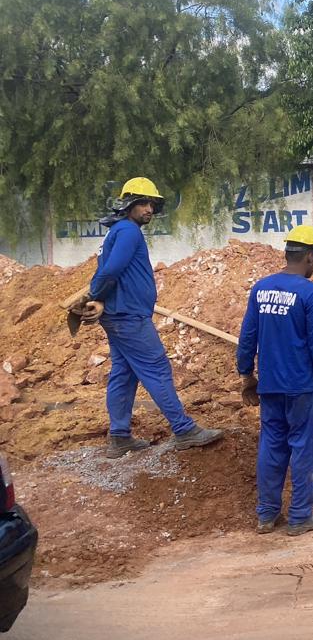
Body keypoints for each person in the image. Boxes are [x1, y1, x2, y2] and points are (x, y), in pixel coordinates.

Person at [78, 178, 223, 459]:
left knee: (124, 372)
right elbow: (110, 270)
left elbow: (109, 271)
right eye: (144, 203)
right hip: (128, 317)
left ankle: (120, 437)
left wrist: (99, 298)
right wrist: (95, 295)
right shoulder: (129, 232)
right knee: (156, 368)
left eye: (152, 205)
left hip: (120, 314)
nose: (149, 210)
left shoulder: (119, 231)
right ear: (129, 204)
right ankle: (184, 430)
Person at [236, 225, 313, 537]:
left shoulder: (261, 288)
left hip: (269, 385)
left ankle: (266, 516)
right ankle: (300, 516)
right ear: (310, 257)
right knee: (304, 447)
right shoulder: (311, 293)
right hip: (301, 387)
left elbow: (247, 337)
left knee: (271, 444)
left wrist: (246, 376)